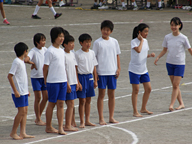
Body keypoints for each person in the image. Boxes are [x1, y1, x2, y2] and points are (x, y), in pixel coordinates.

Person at [154, 17, 192, 111]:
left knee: (175, 85)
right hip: (169, 63)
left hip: (180, 64)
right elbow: (164, 50)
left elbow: (190, 50)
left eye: (175, 25)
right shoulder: (167, 37)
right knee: (175, 86)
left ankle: (171, 105)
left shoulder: (183, 38)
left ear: (179, 25)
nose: (173, 27)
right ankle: (181, 103)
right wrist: (158, 57)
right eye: (172, 25)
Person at [92, 20, 121, 125]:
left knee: (112, 95)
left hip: (112, 72)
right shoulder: (97, 42)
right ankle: (101, 118)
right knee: (101, 95)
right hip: (101, 73)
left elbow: (117, 55)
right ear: (101, 29)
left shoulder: (114, 42)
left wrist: (118, 68)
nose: (105, 31)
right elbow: (93, 58)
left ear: (111, 31)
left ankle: (111, 117)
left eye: (108, 30)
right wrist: (95, 74)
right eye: (104, 29)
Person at [8, 42, 35, 140]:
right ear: (25, 51)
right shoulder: (16, 62)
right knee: (21, 112)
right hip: (18, 92)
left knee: (25, 111)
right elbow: (10, 76)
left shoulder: (22, 62)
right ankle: (13, 132)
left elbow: (22, 78)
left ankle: (22, 132)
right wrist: (15, 91)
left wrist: (26, 90)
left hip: (23, 91)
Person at [43, 27, 67, 135]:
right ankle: (48, 126)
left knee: (61, 104)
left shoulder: (62, 51)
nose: (62, 38)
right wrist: (45, 80)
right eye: (59, 36)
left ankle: (61, 127)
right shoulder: (50, 51)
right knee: (52, 103)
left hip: (63, 80)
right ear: (54, 37)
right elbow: (45, 67)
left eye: (62, 36)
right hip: (53, 81)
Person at [128, 23, 155, 117]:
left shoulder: (145, 41)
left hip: (144, 70)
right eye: (145, 31)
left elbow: (142, 54)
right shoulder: (134, 42)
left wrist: (149, 55)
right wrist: (141, 41)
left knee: (148, 89)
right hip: (134, 70)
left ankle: (143, 108)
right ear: (139, 32)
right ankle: (135, 111)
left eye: (147, 31)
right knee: (136, 90)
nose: (147, 33)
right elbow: (138, 50)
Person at [24, 33, 48, 126]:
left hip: (44, 77)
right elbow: (26, 59)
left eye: (44, 40)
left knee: (46, 97)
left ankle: (38, 116)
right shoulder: (33, 51)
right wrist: (32, 63)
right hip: (36, 78)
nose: (44, 42)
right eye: (42, 40)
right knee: (38, 98)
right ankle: (38, 119)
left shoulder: (45, 50)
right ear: (37, 42)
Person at [75, 33, 98, 128]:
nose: (88, 44)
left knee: (88, 100)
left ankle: (87, 120)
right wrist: (78, 82)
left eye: (89, 42)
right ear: (81, 43)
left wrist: (95, 80)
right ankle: (82, 121)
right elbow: (75, 69)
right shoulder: (77, 54)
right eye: (86, 42)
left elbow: (94, 67)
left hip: (90, 77)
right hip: (81, 77)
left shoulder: (92, 53)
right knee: (82, 100)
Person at [62, 35, 79, 131]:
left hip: (73, 82)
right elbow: (63, 70)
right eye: (70, 43)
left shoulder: (72, 54)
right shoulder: (63, 55)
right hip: (66, 83)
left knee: (71, 104)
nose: (72, 45)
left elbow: (74, 69)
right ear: (65, 45)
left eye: (73, 43)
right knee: (69, 104)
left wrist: (77, 82)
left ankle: (70, 123)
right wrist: (67, 83)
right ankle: (67, 125)